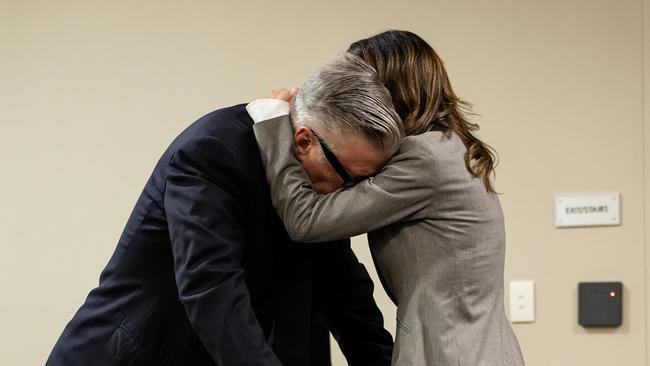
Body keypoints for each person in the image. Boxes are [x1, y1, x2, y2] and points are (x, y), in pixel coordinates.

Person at [46, 54, 399, 366]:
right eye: (351, 178)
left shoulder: (320, 185)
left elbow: (344, 291)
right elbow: (211, 286)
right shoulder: (215, 151)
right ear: (305, 141)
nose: (352, 194)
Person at [249, 30, 526, 365]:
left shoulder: (425, 158)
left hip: (447, 353)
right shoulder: (450, 147)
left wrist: (273, 122)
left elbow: (307, 221)